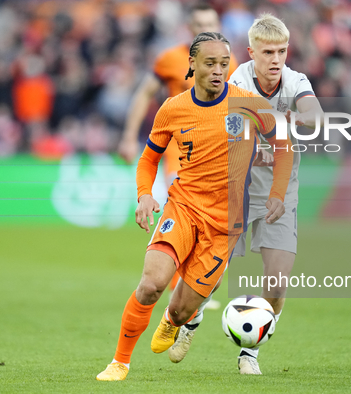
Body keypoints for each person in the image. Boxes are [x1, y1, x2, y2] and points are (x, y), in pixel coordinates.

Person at [96, 31, 294, 382]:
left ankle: (173, 321)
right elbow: (148, 159)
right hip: (183, 207)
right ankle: (119, 363)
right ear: (192, 65)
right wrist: (144, 194)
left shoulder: (248, 104)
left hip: (226, 224)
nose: (218, 71)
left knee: (181, 308)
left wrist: (277, 192)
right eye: (210, 64)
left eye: (224, 64)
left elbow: (284, 145)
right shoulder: (172, 109)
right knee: (152, 283)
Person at [167, 14, 323, 375]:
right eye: (268, 52)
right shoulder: (236, 81)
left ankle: (250, 351)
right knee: (215, 271)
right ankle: (190, 322)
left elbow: (314, 116)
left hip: (280, 185)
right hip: (235, 182)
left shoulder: (296, 81)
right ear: (251, 53)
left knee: (278, 280)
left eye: (282, 51)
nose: (275, 60)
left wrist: (287, 124)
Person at [119, 4, 239, 303]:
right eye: (199, 23)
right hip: (178, 147)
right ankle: (176, 283)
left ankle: (189, 283)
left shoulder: (230, 63)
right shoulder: (170, 59)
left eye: (211, 23)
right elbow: (145, 93)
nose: (205, 28)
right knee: (186, 207)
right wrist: (129, 136)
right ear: (189, 26)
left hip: (214, 152)